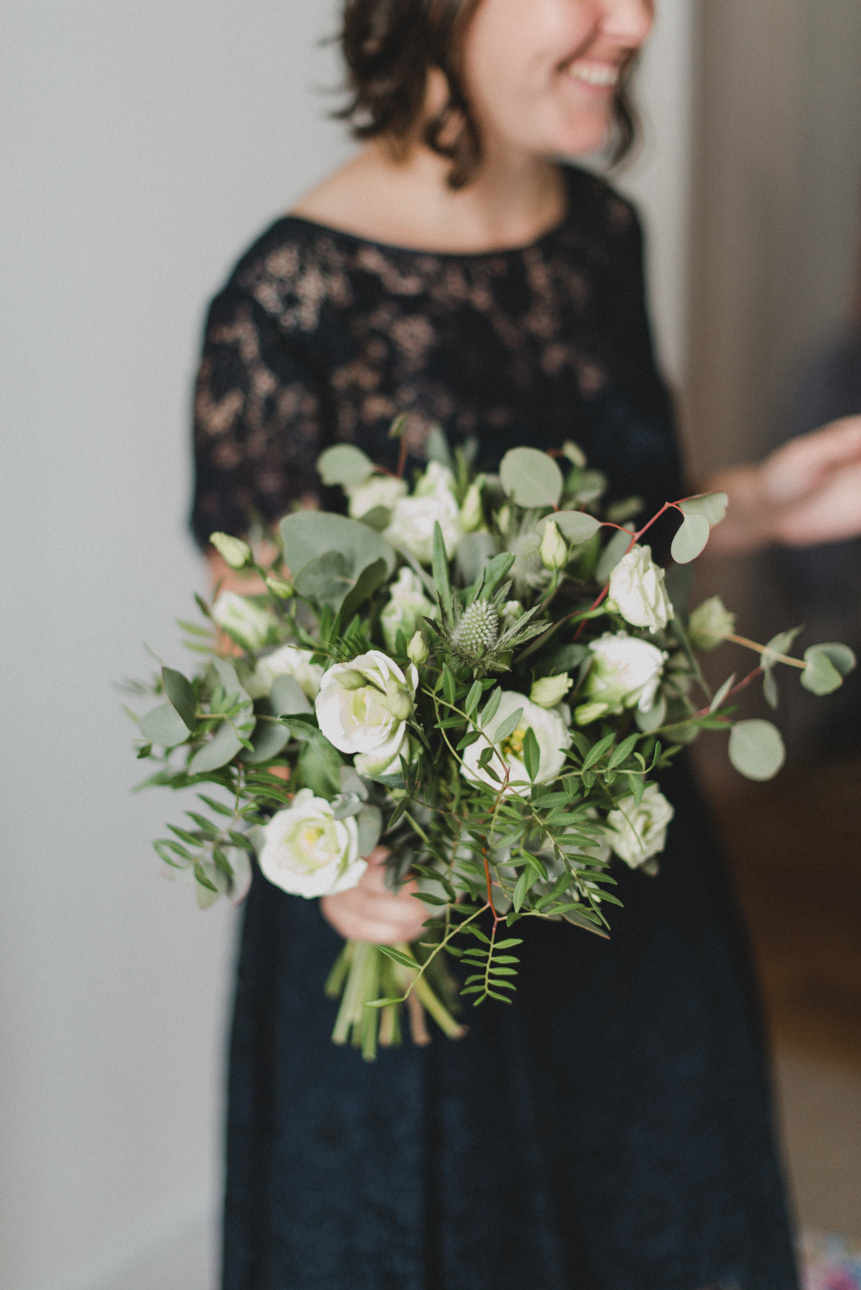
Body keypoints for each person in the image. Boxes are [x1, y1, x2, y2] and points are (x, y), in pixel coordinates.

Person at [190, 3, 861, 1286]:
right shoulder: (285, 302)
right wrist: (333, 858)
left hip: (627, 868)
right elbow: (249, 643)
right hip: (416, 915)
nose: (640, 19)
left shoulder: (602, 232)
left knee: (665, 1210)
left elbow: (608, 538)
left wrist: (768, 501)